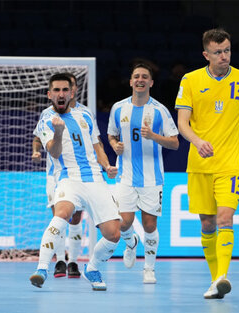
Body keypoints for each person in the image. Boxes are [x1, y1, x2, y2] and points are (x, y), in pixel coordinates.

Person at [175, 28, 239, 299]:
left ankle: (223, 275)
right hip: (199, 164)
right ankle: (216, 281)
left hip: (231, 163)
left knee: (225, 218)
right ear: (206, 54)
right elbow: (182, 123)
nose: (224, 56)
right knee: (207, 224)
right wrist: (198, 142)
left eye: (227, 51)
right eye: (218, 52)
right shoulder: (190, 80)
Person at [29, 73, 121, 291]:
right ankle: (42, 268)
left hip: (95, 178)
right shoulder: (46, 120)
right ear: (49, 94)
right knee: (62, 214)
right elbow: (53, 151)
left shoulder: (85, 115)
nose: (61, 94)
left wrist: (107, 165)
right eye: (56, 91)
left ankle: (92, 267)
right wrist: (59, 132)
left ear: (72, 93)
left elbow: (97, 145)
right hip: (67, 177)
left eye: (64, 90)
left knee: (113, 234)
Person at [107, 63, 179, 284]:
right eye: (136, 76)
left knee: (149, 225)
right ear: (130, 81)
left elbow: (175, 143)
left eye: (144, 77)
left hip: (152, 178)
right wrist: (114, 146)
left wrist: (155, 137)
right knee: (123, 224)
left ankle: (149, 269)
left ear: (151, 82)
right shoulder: (118, 108)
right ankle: (131, 243)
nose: (140, 79)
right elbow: (111, 135)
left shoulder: (160, 110)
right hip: (125, 176)